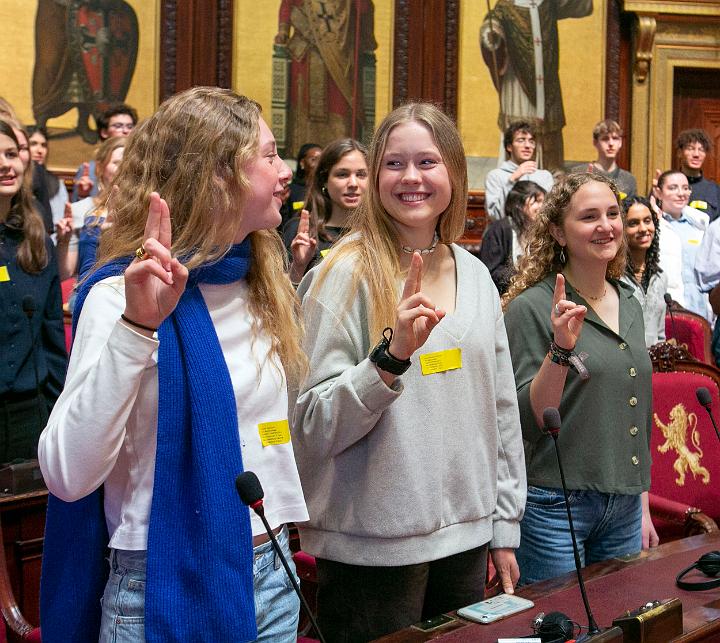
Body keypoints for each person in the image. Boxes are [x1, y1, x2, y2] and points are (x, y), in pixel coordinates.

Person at [38, 87, 309, 642]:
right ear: (218, 174)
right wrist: (137, 330)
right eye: (269, 154)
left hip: (271, 570)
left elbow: (266, 434)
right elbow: (66, 474)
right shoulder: (120, 296)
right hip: (157, 584)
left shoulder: (259, 281)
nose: (285, 171)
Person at [292, 103, 526, 641]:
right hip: (370, 549)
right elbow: (311, 422)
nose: (412, 178)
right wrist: (389, 360)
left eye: (428, 161)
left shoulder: (476, 275)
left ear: (454, 173)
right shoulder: (343, 273)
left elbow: (501, 410)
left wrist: (503, 523)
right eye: (394, 164)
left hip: (466, 541)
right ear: (375, 177)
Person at [503, 172, 657, 586]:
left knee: (618, 623)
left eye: (612, 213)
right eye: (589, 216)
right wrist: (560, 348)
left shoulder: (629, 301)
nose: (606, 226)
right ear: (557, 231)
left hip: (623, 501)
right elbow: (528, 418)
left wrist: (641, 501)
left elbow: (636, 409)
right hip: (556, 504)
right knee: (561, 630)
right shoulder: (530, 307)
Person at [0, 120, 66, 463]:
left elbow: (52, 331)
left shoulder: (36, 233)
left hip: (32, 414)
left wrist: (60, 415)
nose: (5, 164)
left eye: (11, 153)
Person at [480, 0, 593, 172]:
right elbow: (493, 23)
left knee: (549, 122)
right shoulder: (506, 6)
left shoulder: (548, 3)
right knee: (521, 118)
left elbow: (578, 5)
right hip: (517, 77)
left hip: (546, 76)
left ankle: (551, 168)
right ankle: (517, 170)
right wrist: (491, 35)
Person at [274, 0, 376, 154]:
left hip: (341, 57)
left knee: (340, 103)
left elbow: (363, 9)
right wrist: (283, 31)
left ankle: (342, 154)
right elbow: (288, 5)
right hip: (306, 54)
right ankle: (301, 155)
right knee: (303, 102)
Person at [284, 138, 368, 281]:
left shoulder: (379, 233)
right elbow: (281, 299)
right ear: (324, 180)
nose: (353, 183)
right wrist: (298, 267)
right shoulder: (301, 233)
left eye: (361, 174)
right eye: (342, 174)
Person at [56, 136, 127, 284]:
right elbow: (65, 272)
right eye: (116, 163)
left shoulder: (142, 211)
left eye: (128, 163)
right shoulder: (81, 209)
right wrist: (64, 240)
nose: (123, 168)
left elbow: (143, 255)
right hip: (86, 291)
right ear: (100, 168)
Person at [653, 169, 710, 319]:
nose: (681, 193)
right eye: (673, 188)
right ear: (658, 192)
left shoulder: (701, 225)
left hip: (699, 305)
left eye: (685, 188)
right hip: (669, 306)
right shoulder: (653, 225)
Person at [480, 180, 546, 295]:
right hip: (504, 295)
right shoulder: (499, 229)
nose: (542, 207)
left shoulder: (542, 229)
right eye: (537, 201)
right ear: (519, 203)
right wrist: (524, 276)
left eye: (543, 202)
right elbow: (491, 271)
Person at [620, 196, 667, 347]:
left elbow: (660, 335)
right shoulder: (611, 276)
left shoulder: (660, 277)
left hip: (653, 365)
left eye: (647, 221)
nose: (643, 229)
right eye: (633, 223)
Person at [484, 120, 554, 221]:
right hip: (507, 234)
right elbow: (494, 216)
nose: (527, 146)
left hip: (536, 234)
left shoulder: (544, 177)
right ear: (509, 147)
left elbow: (550, 214)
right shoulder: (495, 176)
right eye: (521, 140)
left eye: (531, 141)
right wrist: (513, 179)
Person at [71, 103, 138, 202]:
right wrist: (83, 195)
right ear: (104, 132)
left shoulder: (139, 165)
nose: (125, 131)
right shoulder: (89, 170)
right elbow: (75, 209)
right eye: (118, 126)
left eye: (130, 126)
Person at [571, 119, 637, 199]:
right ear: (595, 143)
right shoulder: (579, 173)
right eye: (605, 139)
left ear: (620, 142)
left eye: (615, 138)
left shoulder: (629, 180)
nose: (611, 144)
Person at [27, 125, 70, 237]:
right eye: (33, 144)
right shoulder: (14, 181)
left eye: (44, 145)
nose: (40, 150)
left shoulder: (57, 184)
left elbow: (59, 222)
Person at [676, 128, 720, 222]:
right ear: (680, 153)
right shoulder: (666, 187)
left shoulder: (715, 191)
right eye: (690, 148)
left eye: (701, 150)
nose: (696, 154)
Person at [286, 143, 322, 217]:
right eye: (314, 160)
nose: (319, 164)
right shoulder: (290, 191)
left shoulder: (327, 190)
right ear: (302, 163)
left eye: (322, 160)